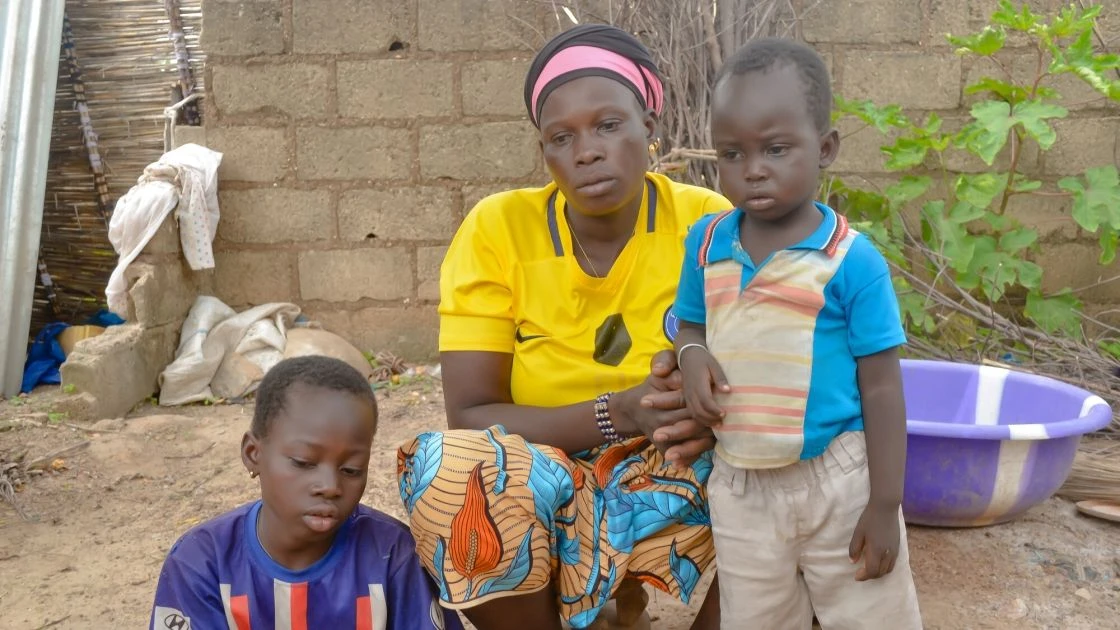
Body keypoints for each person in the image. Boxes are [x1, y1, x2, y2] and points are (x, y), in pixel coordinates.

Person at [396, 24, 731, 630]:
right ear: (544, 152)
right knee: (452, 468)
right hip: (543, 474)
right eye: (561, 137)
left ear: (649, 128)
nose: (586, 151)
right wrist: (620, 411)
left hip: (675, 468)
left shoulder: (705, 225)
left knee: (810, 461)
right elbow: (470, 414)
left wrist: (702, 415)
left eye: (608, 125)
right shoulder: (499, 229)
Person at [672, 38, 923, 628]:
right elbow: (691, 323)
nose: (753, 169)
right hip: (740, 485)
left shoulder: (850, 262)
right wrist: (690, 355)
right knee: (756, 617)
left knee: (871, 613)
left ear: (826, 147)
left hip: (839, 480)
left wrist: (885, 503)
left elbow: (884, 390)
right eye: (732, 154)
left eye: (777, 148)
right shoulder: (707, 245)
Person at [150, 356, 463, 630]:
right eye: (303, 463)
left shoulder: (394, 558)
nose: (330, 486)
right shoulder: (203, 563)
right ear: (253, 453)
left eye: (351, 469)